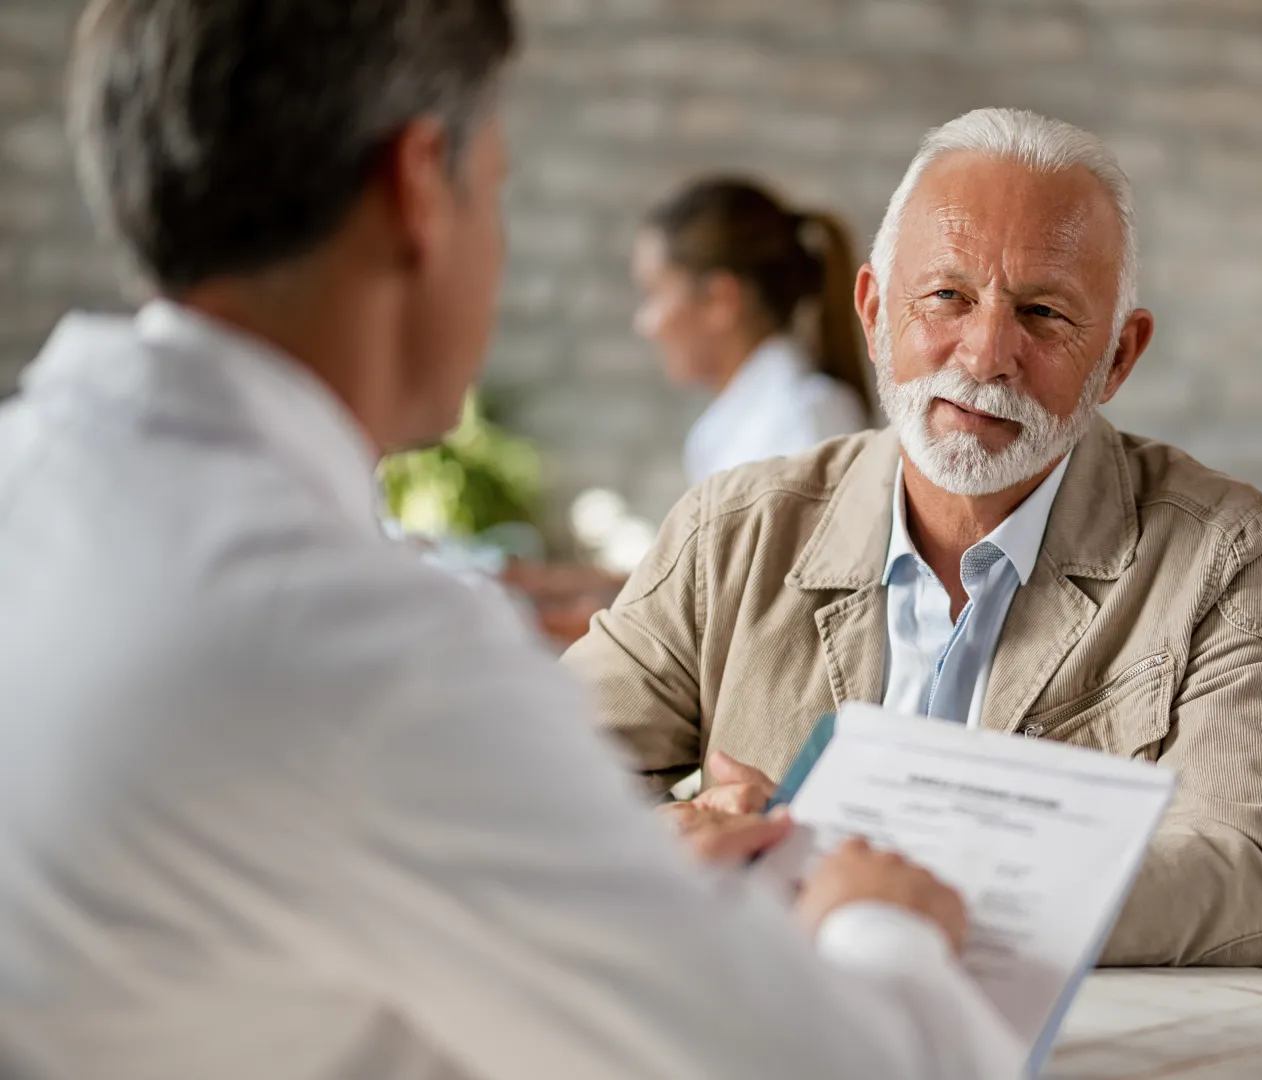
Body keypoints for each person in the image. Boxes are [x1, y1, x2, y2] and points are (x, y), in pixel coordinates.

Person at [0, 3, 1024, 1078]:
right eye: (497, 188)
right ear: (417, 184)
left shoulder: (34, 478)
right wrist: (880, 921)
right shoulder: (372, 653)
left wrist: (612, 872)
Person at [565, 107, 1262, 969]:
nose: (987, 352)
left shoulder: (1225, 554)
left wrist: (911, 888)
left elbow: (1252, 878)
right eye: (947, 297)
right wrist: (670, 838)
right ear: (875, 312)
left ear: (1118, 358)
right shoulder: (730, 529)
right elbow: (532, 775)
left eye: (1042, 313)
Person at [633, 177, 874, 484]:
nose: (645, 324)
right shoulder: (736, 424)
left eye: (655, 293)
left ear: (720, 300)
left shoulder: (805, 419)